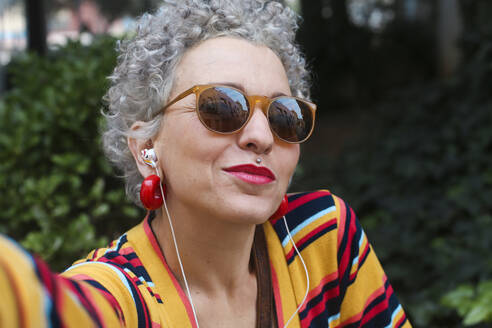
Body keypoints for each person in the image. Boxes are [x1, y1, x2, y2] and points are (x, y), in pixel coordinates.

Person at [0, 1, 411, 327]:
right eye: (221, 107)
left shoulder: (323, 238)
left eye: (284, 115)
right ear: (147, 147)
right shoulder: (120, 300)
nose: (262, 136)